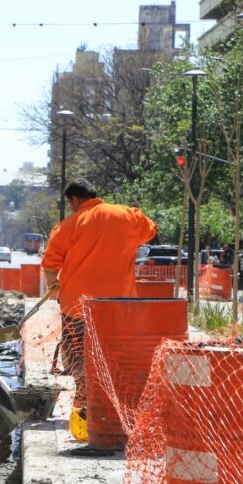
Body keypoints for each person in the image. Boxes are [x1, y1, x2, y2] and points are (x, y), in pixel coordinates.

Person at [41, 178, 157, 424]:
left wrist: (53, 286)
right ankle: (118, 407)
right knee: (115, 356)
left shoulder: (69, 225)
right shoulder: (128, 215)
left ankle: (84, 405)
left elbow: (50, 263)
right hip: (119, 306)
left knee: (78, 356)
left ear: (74, 200)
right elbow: (150, 229)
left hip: (77, 306)